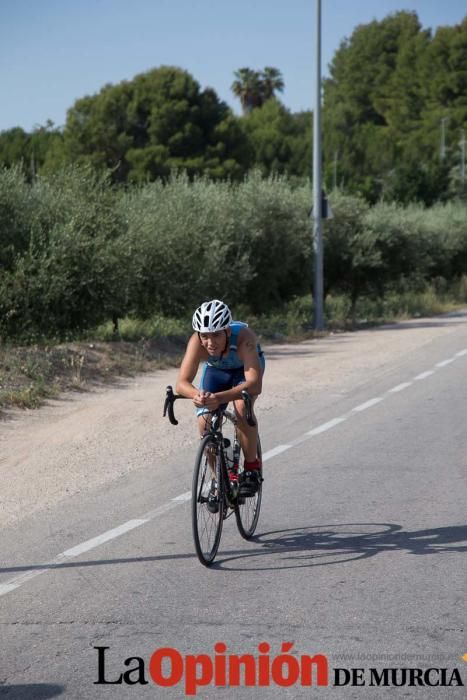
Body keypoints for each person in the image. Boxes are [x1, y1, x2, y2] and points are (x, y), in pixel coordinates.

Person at [176, 299, 265, 496]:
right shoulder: (196, 342)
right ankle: (219, 480)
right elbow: (182, 383)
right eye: (205, 336)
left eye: (216, 335)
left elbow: (254, 384)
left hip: (244, 373)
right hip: (217, 372)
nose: (210, 342)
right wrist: (198, 395)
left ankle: (251, 469)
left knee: (242, 410)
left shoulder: (244, 339)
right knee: (204, 423)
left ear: (226, 331)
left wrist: (219, 397)